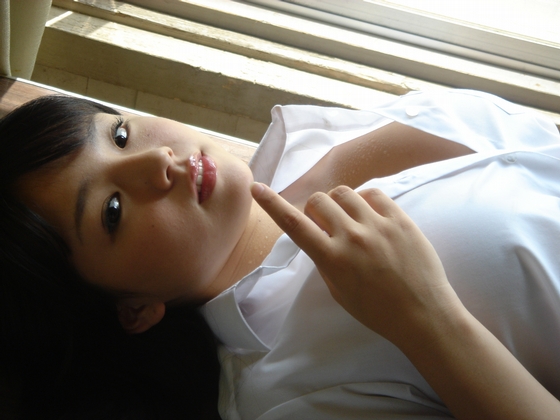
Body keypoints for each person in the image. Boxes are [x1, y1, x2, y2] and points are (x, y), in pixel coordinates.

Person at [1, 89, 559, 419]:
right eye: (112, 211)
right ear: (133, 310)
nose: (158, 162)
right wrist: (427, 319)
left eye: (119, 136)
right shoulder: (289, 394)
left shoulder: (315, 144)